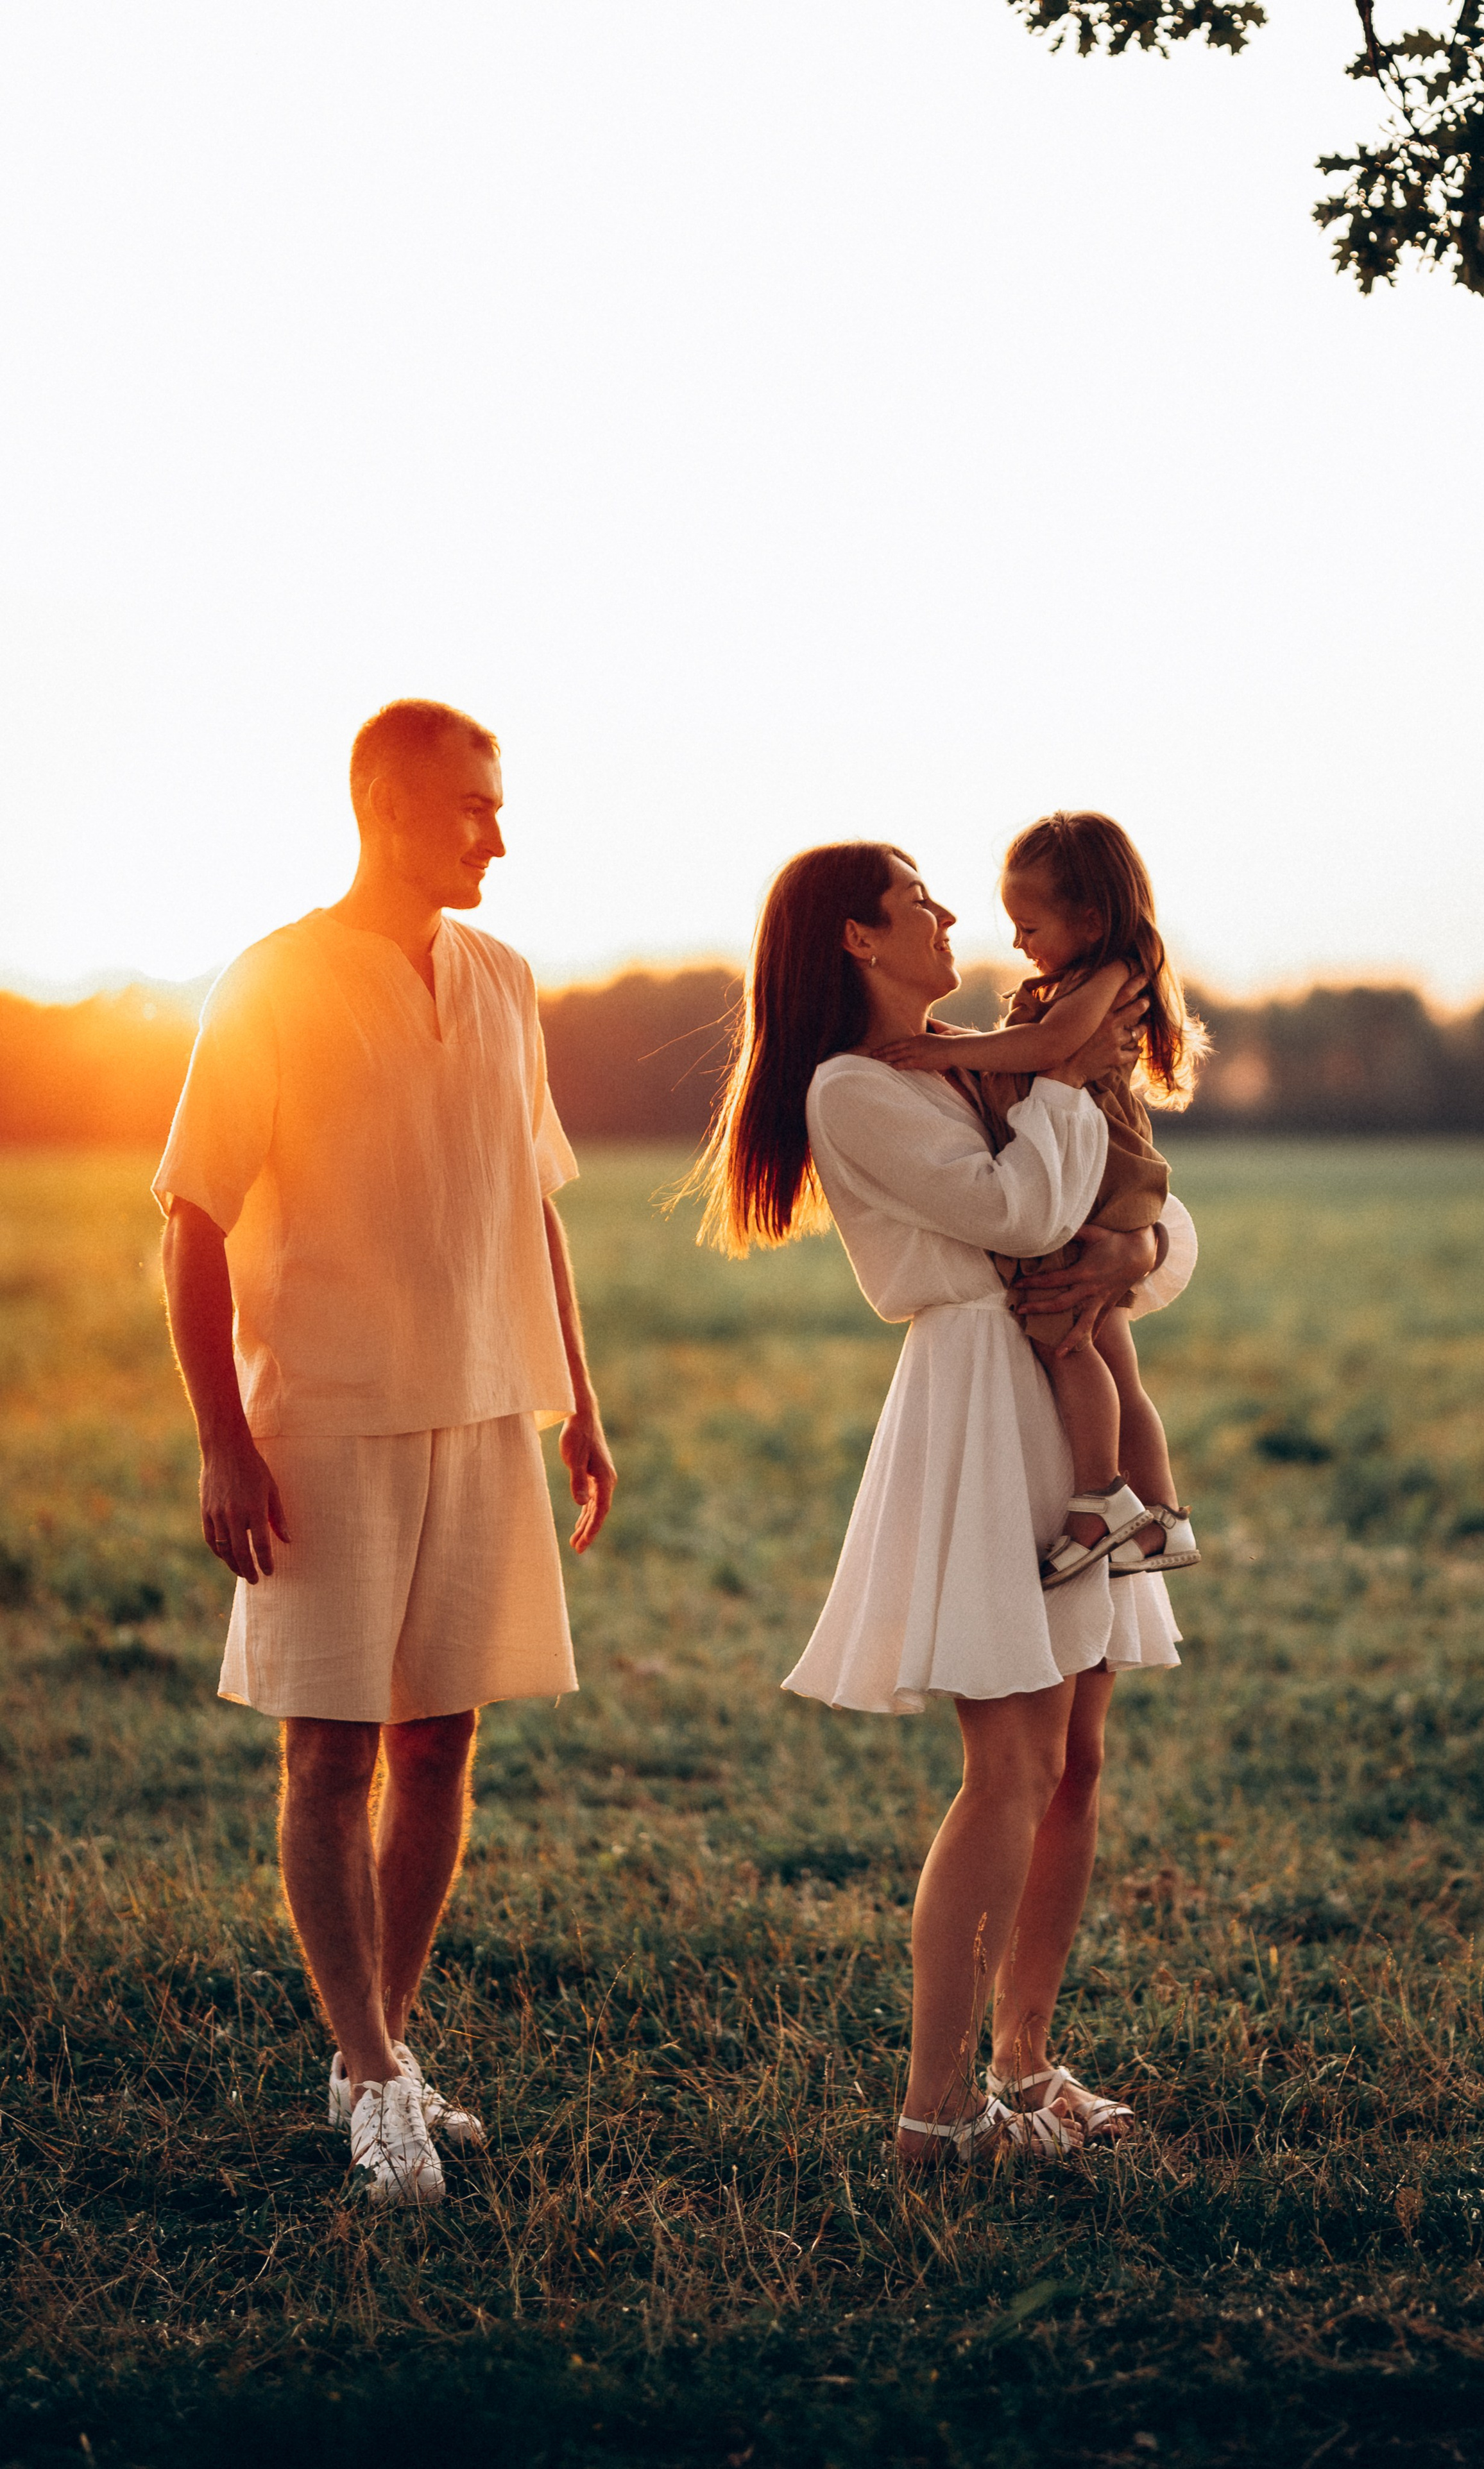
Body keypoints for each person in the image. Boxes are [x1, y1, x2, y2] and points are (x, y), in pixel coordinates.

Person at [155, 699, 615, 2205]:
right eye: (474, 804)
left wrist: (581, 1403)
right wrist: (224, 1437)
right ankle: (365, 2071)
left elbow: (529, 1198)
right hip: (323, 1419)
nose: (499, 830)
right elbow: (193, 1217)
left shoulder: (504, 975)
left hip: (485, 1407)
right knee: (330, 1746)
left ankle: (382, 2058)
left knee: (439, 1741)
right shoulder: (275, 977)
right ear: (388, 808)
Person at [691, 842, 1195, 2163]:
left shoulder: (997, 1054)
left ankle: (1023, 2063)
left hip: (1063, 1386)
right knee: (1011, 1762)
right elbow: (1021, 1211)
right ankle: (934, 2109)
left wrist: (1128, 1250)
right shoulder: (854, 1090)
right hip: (983, 1408)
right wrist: (1072, 1081)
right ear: (858, 939)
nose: (950, 915)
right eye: (918, 902)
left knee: (1075, 1759)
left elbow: (1148, 1219)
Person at [873, 810, 1204, 1587]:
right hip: (1103, 1179)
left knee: (1068, 1336)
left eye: (1028, 926)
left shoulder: (1111, 973)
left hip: (1102, 1176)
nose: (1018, 943)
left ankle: (1102, 1501)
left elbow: (1054, 1050)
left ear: (1089, 919)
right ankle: (1160, 1519)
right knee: (1115, 1356)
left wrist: (941, 1048)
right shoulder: (1088, 971)